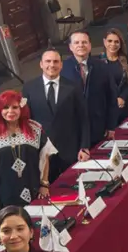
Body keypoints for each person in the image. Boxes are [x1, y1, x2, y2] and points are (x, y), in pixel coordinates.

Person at [22, 49, 90, 180]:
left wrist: (84, 146)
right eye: (48, 61)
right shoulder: (29, 88)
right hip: (42, 151)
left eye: (55, 62)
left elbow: (83, 118)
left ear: (61, 65)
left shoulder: (73, 87)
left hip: (69, 150)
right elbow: (26, 120)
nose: (52, 65)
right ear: (41, 64)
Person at [62, 30, 118, 145]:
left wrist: (111, 126)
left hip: (98, 126)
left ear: (90, 45)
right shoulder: (62, 69)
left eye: (84, 42)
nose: (81, 45)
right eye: (76, 43)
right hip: (73, 129)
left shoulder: (102, 67)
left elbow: (112, 97)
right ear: (70, 47)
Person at [100, 27, 128, 124]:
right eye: (110, 41)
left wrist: (122, 97)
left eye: (116, 42)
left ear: (120, 44)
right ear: (104, 42)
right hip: (106, 109)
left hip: (124, 107)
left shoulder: (127, 60)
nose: (113, 44)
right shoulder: (97, 62)